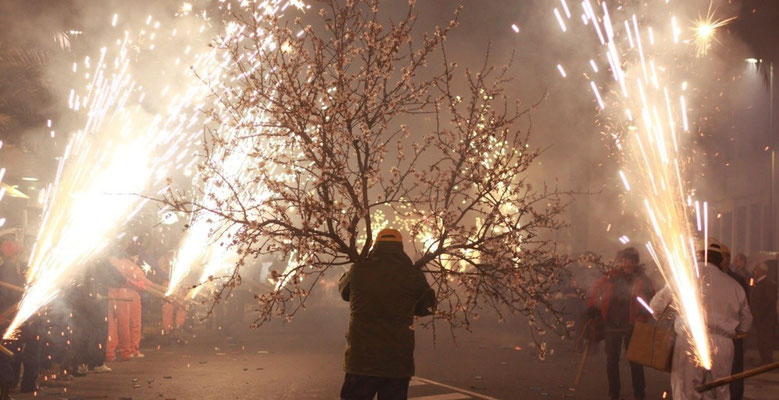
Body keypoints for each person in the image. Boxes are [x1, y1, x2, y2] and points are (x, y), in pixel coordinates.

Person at [338, 229, 436, 400]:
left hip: (361, 360)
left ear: (375, 245)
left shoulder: (358, 270)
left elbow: (344, 292)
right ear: (401, 248)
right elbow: (428, 307)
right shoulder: (412, 275)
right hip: (397, 362)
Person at [650, 241, 752, 400]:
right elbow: (746, 323)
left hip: (691, 340)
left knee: (686, 391)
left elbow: (656, 307)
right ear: (720, 261)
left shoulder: (683, 277)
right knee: (720, 391)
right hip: (723, 344)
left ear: (696, 257)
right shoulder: (734, 285)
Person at [587, 247, 654, 400]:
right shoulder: (612, 276)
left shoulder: (643, 280)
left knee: (635, 361)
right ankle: (613, 393)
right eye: (625, 260)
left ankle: (639, 393)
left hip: (632, 324)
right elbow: (597, 289)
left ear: (636, 262)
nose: (627, 263)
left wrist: (644, 316)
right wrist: (592, 306)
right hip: (611, 323)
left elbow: (652, 300)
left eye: (630, 260)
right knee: (612, 360)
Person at [718, 244, 749, 400]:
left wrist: (741, 330)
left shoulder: (737, 280)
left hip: (732, 334)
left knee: (734, 372)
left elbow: (745, 309)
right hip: (714, 335)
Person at [749, 262, 777, 365]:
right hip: (761, 317)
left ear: (761, 271)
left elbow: (769, 302)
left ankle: (767, 360)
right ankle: (764, 359)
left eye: (756, 269)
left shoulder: (769, 284)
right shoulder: (759, 283)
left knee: (766, 340)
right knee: (761, 339)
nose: (754, 271)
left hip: (766, 319)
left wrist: (758, 313)